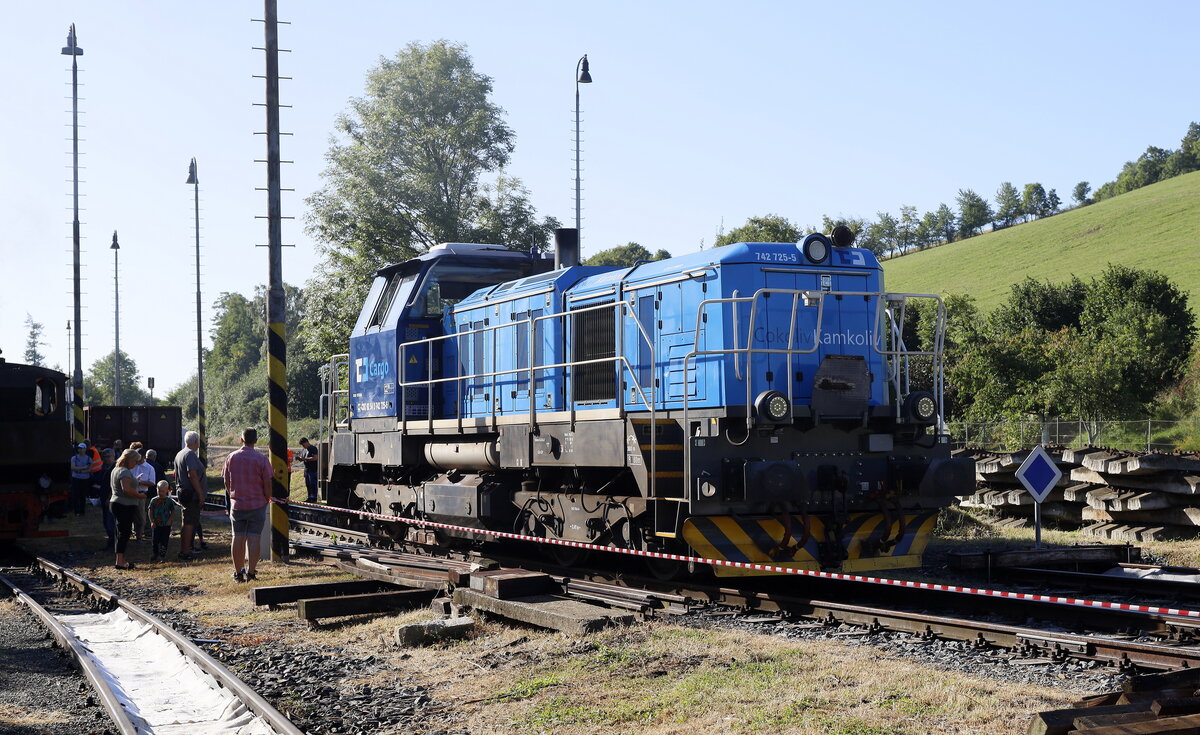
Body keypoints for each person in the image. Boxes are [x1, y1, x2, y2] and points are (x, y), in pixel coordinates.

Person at [222, 427, 273, 582]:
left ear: (241, 439)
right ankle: (251, 573)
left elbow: (226, 480)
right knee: (254, 538)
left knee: (237, 537)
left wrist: (233, 494)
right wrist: (266, 498)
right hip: (257, 504)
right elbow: (268, 482)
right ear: (256, 440)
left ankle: (238, 573)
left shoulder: (231, 457)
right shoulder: (262, 459)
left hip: (237, 504)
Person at [109, 449, 147, 569]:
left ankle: (120, 559)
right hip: (123, 505)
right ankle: (120, 562)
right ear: (129, 460)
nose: (136, 464)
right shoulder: (124, 471)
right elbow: (126, 489)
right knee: (124, 533)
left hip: (117, 503)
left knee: (120, 532)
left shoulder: (116, 469)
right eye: (135, 461)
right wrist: (140, 496)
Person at [174, 431, 206, 560]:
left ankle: (187, 549)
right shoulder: (190, 455)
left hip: (184, 493)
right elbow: (192, 475)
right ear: (196, 442)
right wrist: (200, 493)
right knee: (189, 523)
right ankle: (185, 552)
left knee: (187, 521)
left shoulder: (180, 453)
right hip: (191, 494)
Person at [147, 480, 181, 562]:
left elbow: (172, 511)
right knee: (155, 540)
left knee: (164, 541)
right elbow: (150, 511)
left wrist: (170, 520)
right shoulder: (153, 500)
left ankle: (162, 556)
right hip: (156, 524)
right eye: (159, 490)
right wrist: (152, 521)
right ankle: (155, 553)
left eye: (162, 491)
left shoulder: (169, 501)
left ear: (167, 491)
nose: (160, 493)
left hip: (166, 524)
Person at [129, 443, 156, 541]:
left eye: (138, 457)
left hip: (141, 494)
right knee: (130, 515)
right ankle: (132, 533)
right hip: (130, 493)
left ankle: (139, 536)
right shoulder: (132, 466)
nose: (136, 459)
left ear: (144, 457)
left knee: (141, 517)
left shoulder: (149, 468)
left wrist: (139, 482)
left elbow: (152, 483)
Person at [94, 448, 117, 551]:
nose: (106, 459)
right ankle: (111, 541)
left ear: (113, 457)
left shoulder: (115, 468)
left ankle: (113, 543)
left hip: (111, 499)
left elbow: (114, 485)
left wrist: (109, 497)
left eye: (108, 457)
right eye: (104, 457)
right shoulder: (103, 467)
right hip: (103, 497)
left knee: (110, 521)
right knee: (106, 521)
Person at [70, 443, 92, 516]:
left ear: (85, 449)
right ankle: (76, 511)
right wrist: (84, 468)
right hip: (76, 479)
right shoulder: (74, 458)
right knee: (76, 495)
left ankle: (82, 511)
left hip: (85, 479)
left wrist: (79, 471)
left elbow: (90, 469)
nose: (81, 450)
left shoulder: (89, 458)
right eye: (79, 448)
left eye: (82, 448)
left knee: (83, 495)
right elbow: (72, 468)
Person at [299, 437, 318, 502]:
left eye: (303, 444)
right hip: (307, 469)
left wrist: (305, 459)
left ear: (306, 442)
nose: (303, 446)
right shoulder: (304, 450)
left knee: (312, 484)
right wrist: (300, 458)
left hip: (313, 469)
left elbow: (315, 458)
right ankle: (309, 496)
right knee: (308, 484)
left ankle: (314, 497)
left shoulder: (313, 448)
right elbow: (303, 457)